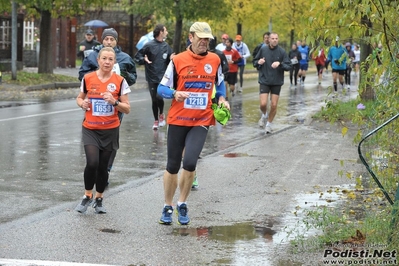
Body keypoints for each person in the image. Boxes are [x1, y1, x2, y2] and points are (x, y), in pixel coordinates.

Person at [156, 21, 229, 225]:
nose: (204, 42)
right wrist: (174, 93)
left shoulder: (215, 60)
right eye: (201, 38)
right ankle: (167, 206)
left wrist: (222, 99)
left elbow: (220, 84)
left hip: (202, 119)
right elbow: (161, 89)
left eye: (207, 39)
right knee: (172, 165)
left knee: (189, 162)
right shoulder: (178, 60)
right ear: (191, 37)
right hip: (178, 119)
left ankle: (182, 203)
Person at [74, 47, 131, 214]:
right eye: (104, 58)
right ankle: (87, 195)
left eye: (110, 59)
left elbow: (127, 108)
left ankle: (99, 199)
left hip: (110, 130)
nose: (107, 62)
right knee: (92, 162)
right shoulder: (88, 78)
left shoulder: (120, 81)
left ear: (114, 62)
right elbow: (79, 97)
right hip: (90, 128)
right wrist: (81, 104)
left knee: (103, 166)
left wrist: (114, 102)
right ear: (98, 60)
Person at [78, 28, 137, 185]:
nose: (109, 42)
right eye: (106, 39)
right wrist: (97, 74)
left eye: (112, 39)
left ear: (116, 41)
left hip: (116, 104)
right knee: (94, 136)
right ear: (102, 40)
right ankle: (96, 167)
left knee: (110, 139)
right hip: (94, 105)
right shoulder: (92, 56)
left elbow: (133, 77)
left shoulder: (124, 58)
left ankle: (105, 169)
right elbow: (82, 75)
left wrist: (121, 75)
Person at [134, 24, 175, 130]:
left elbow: (170, 59)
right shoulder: (149, 45)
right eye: (165, 30)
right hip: (151, 76)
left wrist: (171, 58)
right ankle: (156, 120)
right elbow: (137, 57)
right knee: (154, 99)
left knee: (159, 96)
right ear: (161, 32)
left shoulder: (166, 46)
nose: (167, 32)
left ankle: (161, 114)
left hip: (162, 77)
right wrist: (144, 60)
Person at [253, 32, 291, 133]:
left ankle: (269, 124)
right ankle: (264, 114)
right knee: (263, 104)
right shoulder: (263, 49)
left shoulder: (282, 52)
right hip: (264, 80)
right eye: (272, 38)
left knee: (274, 105)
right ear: (268, 40)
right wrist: (258, 62)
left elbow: (288, 66)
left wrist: (280, 64)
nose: (274, 40)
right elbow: (255, 62)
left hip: (276, 81)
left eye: (276, 38)